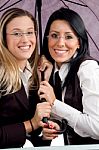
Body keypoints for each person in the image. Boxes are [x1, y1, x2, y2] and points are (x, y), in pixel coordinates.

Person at [38, 7, 99, 145]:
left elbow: (97, 127)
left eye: (69, 36)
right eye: (54, 35)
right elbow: (70, 119)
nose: (60, 43)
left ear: (79, 42)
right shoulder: (52, 71)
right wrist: (56, 127)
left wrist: (55, 103)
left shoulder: (88, 69)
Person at [0, 7, 53, 148]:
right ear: (4, 38)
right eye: (16, 33)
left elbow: (33, 139)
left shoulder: (35, 76)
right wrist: (31, 124)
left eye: (30, 32)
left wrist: (44, 135)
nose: (25, 40)